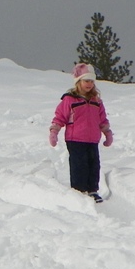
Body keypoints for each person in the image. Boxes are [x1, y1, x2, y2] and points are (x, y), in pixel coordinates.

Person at [49, 63, 113, 202]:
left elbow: (102, 119)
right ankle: (79, 191)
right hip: (75, 139)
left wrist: (107, 133)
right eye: (86, 81)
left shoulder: (96, 101)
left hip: (92, 139)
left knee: (93, 164)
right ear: (78, 82)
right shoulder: (70, 100)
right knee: (79, 165)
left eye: (91, 81)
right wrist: (54, 131)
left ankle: (92, 190)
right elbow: (60, 117)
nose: (89, 84)